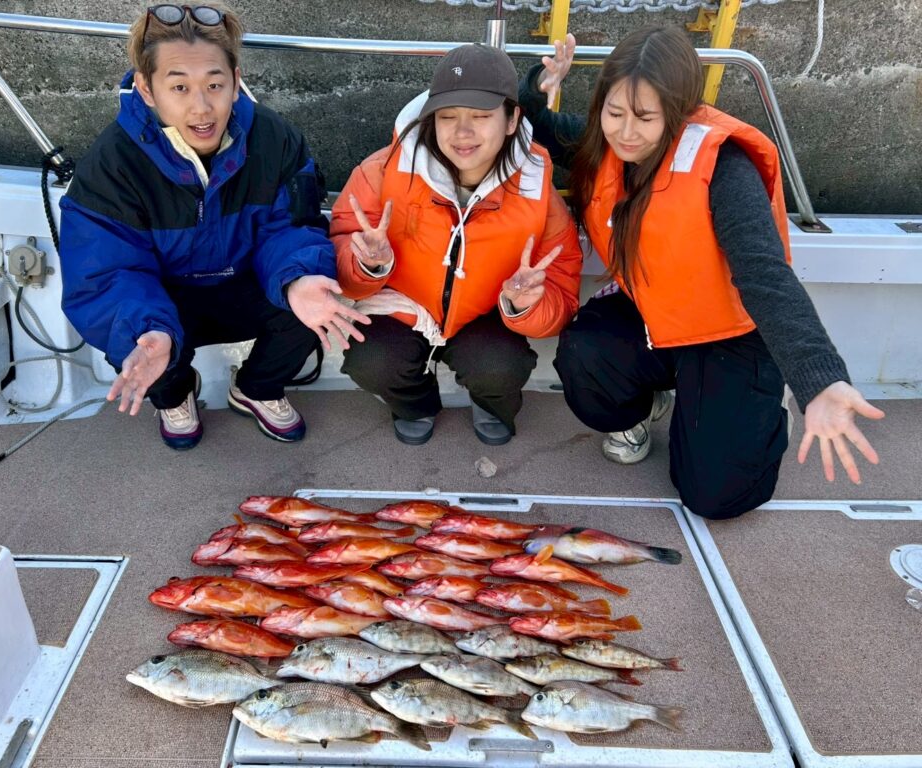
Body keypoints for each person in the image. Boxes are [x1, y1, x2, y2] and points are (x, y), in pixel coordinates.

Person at [519, 27, 883, 518]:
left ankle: (762, 411)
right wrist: (536, 87)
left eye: (645, 117)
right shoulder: (602, 145)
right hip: (653, 318)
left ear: (678, 111)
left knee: (715, 496)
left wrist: (818, 380)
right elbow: (543, 125)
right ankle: (646, 412)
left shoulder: (725, 168)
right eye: (614, 112)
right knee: (584, 355)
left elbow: (765, 275)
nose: (626, 132)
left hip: (726, 334)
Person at [59, 2, 368, 450]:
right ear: (147, 89)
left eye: (215, 85)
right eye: (179, 87)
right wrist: (151, 328)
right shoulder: (112, 163)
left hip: (246, 281)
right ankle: (177, 393)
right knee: (142, 346)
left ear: (236, 81)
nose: (202, 107)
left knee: (310, 301)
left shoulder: (276, 139)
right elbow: (107, 272)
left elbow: (290, 227)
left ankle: (257, 388)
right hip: (167, 298)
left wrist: (298, 278)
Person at [330, 44, 583, 446]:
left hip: (486, 316)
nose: (462, 132)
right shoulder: (381, 171)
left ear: (513, 119)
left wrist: (524, 304)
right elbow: (342, 263)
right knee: (369, 358)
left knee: (500, 366)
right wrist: (367, 265)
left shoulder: (539, 192)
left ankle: (491, 402)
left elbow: (563, 290)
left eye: (481, 117)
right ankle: (415, 403)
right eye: (447, 117)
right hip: (404, 309)